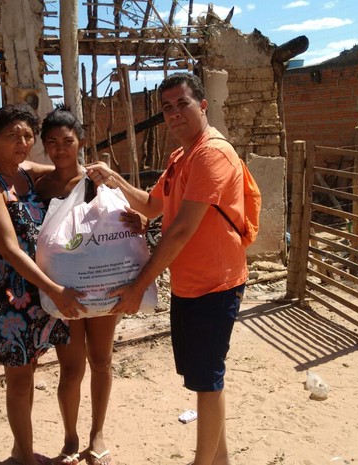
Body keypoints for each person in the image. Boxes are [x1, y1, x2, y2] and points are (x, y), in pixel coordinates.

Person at [86, 72, 248, 465]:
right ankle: (220, 460)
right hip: (189, 284)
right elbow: (151, 206)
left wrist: (138, 286)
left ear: (202, 106)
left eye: (183, 103)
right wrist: (114, 180)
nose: (175, 113)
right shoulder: (181, 157)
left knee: (207, 380)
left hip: (215, 283)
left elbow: (177, 233)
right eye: (167, 107)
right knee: (206, 381)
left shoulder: (212, 154)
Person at [0, 103, 87, 465]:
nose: (22, 142)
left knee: (58, 366)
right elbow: (11, 251)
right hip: (9, 292)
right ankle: (24, 457)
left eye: (28, 135)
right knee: (20, 377)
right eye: (12, 136)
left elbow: (69, 171)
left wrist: (106, 183)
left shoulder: (27, 174)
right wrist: (56, 290)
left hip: (43, 285)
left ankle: (38, 448)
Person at [35, 106, 122, 465]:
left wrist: (132, 216)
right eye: (52, 143)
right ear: (44, 146)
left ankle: (97, 433)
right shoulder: (41, 189)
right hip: (63, 291)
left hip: (101, 286)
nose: (60, 149)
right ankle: (70, 438)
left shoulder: (99, 181)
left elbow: (129, 216)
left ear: (81, 142)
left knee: (101, 361)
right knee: (71, 369)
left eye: (67, 141)